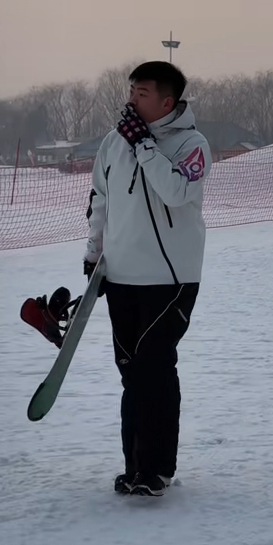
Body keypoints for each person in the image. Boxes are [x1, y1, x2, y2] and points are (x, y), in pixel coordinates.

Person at [83, 61, 212, 498]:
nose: (132, 99)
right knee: (131, 374)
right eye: (132, 91)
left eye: (142, 93)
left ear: (166, 102)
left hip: (171, 279)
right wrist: (93, 253)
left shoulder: (193, 145)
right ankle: (135, 466)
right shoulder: (112, 143)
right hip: (120, 276)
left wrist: (145, 147)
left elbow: (176, 192)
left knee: (154, 368)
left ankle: (158, 469)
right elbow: (100, 197)